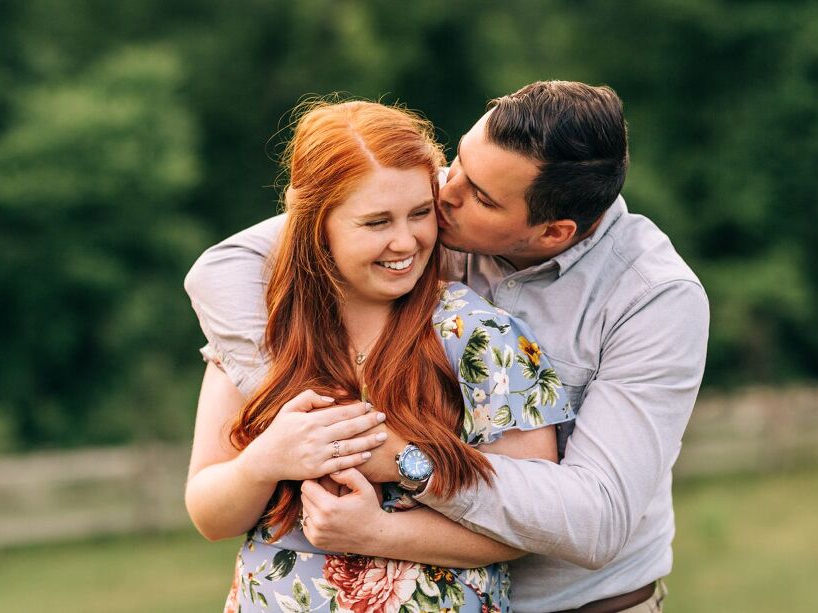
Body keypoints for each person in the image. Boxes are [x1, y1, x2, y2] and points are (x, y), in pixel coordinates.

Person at [186, 81, 710, 612]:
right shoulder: (414, 207)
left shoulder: (653, 299)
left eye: (480, 196)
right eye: (457, 162)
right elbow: (223, 267)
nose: (446, 193)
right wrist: (299, 414)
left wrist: (402, 461)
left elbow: (595, 520)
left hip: (578, 604)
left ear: (553, 233)